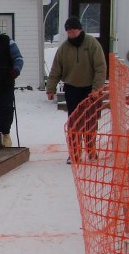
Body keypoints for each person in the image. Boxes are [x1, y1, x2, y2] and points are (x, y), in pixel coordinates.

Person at [46, 15, 107, 164]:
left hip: (90, 90)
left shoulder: (92, 44)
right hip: (72, 89)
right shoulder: (64, 49)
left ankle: (91, 150)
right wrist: (50, 88)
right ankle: (74, 152)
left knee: (91, 122)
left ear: (80, 30)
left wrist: (96, 89)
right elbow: (55, 70)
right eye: (69, 32)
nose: (72, 34)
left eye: (74, 31)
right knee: (74, 122)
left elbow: (100, 68)